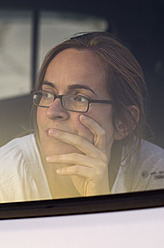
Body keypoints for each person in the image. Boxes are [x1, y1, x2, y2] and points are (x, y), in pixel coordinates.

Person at [0, 32, 164, 203]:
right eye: (47, 94)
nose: (52, 111)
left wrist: (98, 200)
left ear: (124, 122)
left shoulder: (154, 174)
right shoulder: (6, 175)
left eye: (80, 98)